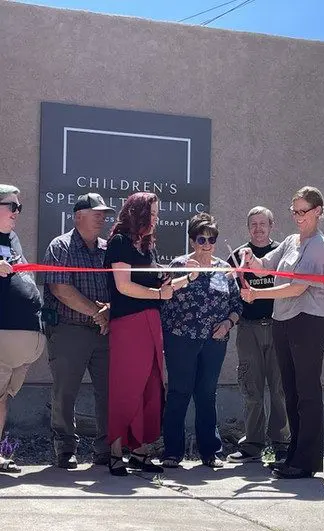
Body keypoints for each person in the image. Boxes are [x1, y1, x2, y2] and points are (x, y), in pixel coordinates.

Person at [240, 186, 324, 479]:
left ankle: (307, 460)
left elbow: (297, 287)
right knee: (290, 391)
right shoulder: (292, 240)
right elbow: (267, 264)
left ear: (318, 211)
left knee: (306, 391)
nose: (297, 217)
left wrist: (256, 294)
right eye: (294, 211)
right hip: (284, 318)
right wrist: (252, 262)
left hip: (308, 320)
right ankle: (294, 454)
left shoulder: (318, 245)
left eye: (302, 211)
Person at [105, 192, 198, 476]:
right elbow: (123, 286)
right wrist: (158, 294)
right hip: (128, 323)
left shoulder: (147, 248)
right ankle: (115, 452)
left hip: (151, 321)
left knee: (151, 383)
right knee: (126, 385)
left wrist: (189, 277)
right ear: (138, 213)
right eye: (152, 213)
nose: (156, 219)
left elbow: (163, 288)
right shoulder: (120, 242)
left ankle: (140, 450)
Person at [161, 212, 242, 468]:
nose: (207, 244)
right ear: (192, 241)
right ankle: (172, 452)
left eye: (211, 239)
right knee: (178, 393)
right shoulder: (178, 265)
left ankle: (210, 452)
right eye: (201, 239)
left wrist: (228, 323)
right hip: (181, 339)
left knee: (206, 394)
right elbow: (163, 297)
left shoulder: (224, 269)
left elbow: (237, 304)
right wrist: (186, 277)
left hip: (214, 341)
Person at [44, 193, 115, 469]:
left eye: (103, 213)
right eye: (95, 212)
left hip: (103, 331)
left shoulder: (108, 249)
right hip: (68, 330)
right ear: (78, 216)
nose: (102, 217)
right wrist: (97, 312)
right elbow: (60, 289)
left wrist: (109, 309)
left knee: (108, 392)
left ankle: (105, 449)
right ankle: (65, 449)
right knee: (65, 392)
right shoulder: (60, 246)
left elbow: (115, 288)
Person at [226, 206, 289, 463]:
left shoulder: (281, 255)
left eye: (263, 224)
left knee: (279, 390)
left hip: (277, 327)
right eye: (253, 224)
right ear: (248, 227)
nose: (258, 229)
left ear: (271, 226)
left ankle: (283, 443)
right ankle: (252, 443)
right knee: (251, 388)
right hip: (248, 329)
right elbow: (230, 294)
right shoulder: (238, 256)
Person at [0, 184, 46, 473]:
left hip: (24, 337)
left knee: (2, 399)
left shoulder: (13, 239)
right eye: (11, 206)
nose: (18, 212)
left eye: (20, 207)